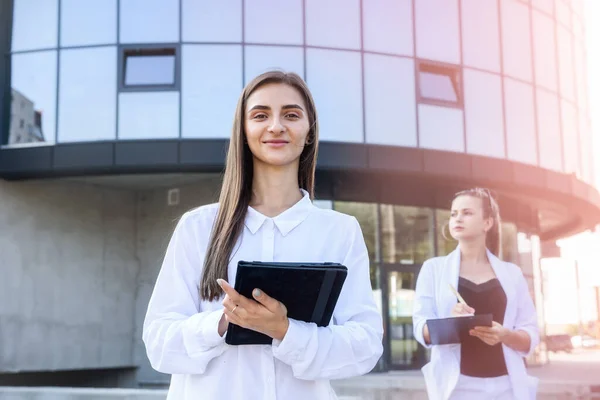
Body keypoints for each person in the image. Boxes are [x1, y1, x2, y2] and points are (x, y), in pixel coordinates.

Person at [142, 70, 383, 400]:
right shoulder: (197, 227)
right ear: (243, 130)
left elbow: (366, 345)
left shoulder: (339, 231)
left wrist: (286, 331)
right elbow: (158, 343)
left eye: (291, 114)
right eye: (260, 115)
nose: (276, 126)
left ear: (309, 130)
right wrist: (223, 322)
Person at [412, 188, 540, 400]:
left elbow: (530, 335)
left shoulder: (512, 273)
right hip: (457, 388)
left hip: (507, 386)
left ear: (487, 222)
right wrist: (450, 322)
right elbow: (421, 329)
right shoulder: (433, 269)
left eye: (467, 213)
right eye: (453, 214)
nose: (457, 218)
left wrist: (506, 335)